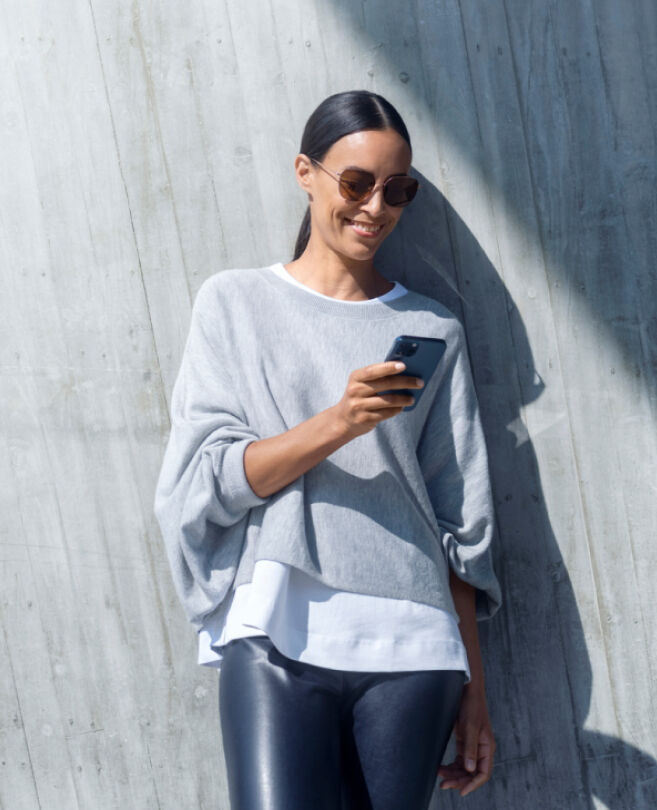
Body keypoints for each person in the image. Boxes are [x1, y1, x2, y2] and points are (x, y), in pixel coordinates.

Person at [153, 89, 502, 809]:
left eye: (396, 189)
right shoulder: (234, 303)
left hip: (416, 646)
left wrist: (475, 691)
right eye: (356, 183)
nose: (375, 207)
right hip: (276, 628)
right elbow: (208, 479)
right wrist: (339, 421)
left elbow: (460, 519)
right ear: (305, 173)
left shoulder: (433, 328)